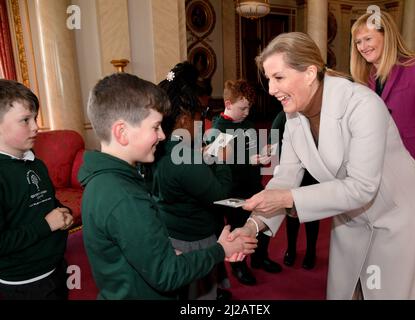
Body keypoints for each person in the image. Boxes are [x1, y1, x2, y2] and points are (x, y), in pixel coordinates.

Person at [232, 32, 415, 299]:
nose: (271, 89)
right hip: (351, 219)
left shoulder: (362, 104)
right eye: (269, 79)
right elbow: (284, 181)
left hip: (397, 216)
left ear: (309, 73)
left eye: (279, 77)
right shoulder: (293, 118)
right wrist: (251, 228)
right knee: (348, 291)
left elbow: (363, 186)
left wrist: (285, 198)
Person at [78, 72, 257, 300]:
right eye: (155, 127)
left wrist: (171, 253)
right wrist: (221, 250)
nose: (163, 135)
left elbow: (138, 253)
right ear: (122, 132)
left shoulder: (104, 180)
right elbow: (166, 274)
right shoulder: (124, 198)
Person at [151, 62, 232, 300]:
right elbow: (222, 195)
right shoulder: (184, 157)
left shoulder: (160, 145)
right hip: (194, 240)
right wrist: (222, 159)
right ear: (186, 118)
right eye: (202, 114)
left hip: (171, 229)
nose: (204, 120)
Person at [350, 11, 415, 191]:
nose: (362, 47)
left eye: (368, 39)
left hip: (409, 166)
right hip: (371, 169)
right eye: (358, 42)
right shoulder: (361, 77)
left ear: (387, 36)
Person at [0, 79, 73, 300]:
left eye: (35, 118)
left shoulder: (35, 163)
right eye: (25, 120)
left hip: (55, 267)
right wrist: (46, 225)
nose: (36, 127)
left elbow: (45, 203)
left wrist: (62, 212)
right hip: (24, 282)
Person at [207, 79, 282, 286]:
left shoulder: (247, 124)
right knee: (239, 227)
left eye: (249, 107)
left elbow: (252, 153)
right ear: (228, 104)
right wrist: (248, 161)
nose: (247, 112)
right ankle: (239, 267)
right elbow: (218, 165)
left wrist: (262, 155)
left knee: (263, 220)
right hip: (232, 190)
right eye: (243, 108)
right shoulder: (218, 128)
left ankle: (260, 258)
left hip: (253, 183)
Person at [271, 111, 319, 269]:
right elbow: (273, 140)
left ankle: (311, 251)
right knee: (292, 215)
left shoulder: (315, 113)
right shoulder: (283, 116)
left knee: (312, 214)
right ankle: (291, 249)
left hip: (313, 173)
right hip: (293, 172)